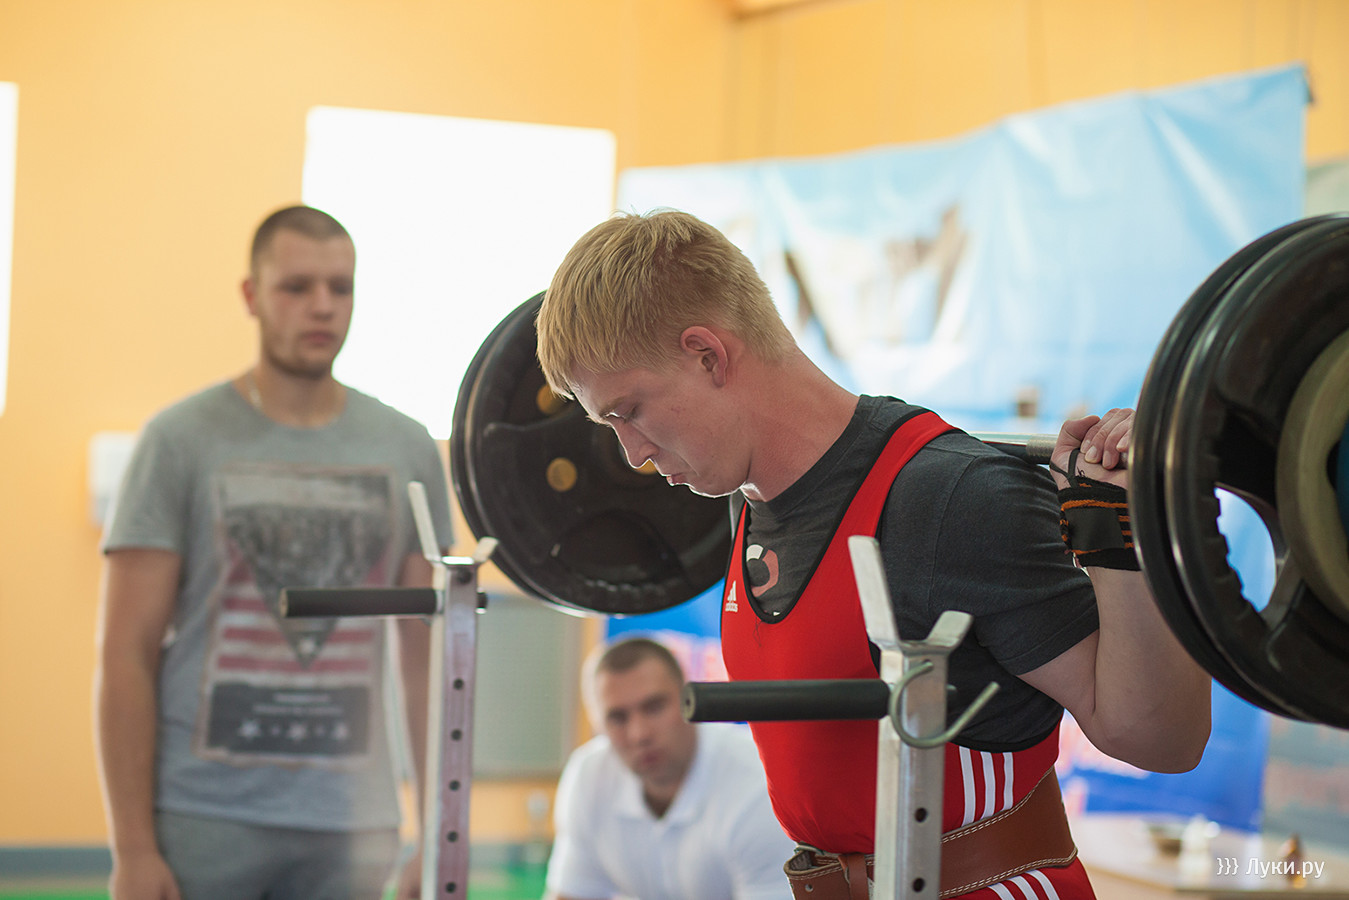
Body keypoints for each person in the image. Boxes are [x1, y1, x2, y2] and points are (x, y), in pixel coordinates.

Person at [534, 209, 1212, 900]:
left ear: (707, 355)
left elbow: (1162, 740)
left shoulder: (951, 499)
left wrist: (1126, 533)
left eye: (628, 412)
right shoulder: (748, 506)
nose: (633, 455)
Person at [93, 205, 453, 900]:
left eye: (340, 287)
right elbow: (125, 654)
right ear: (251, 295)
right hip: (204, 814)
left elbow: (424, 656)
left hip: (352, 824)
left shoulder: (406, 446)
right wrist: (132, 847)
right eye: (296, 287)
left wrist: (436, 832)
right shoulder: (178, 440)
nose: (322, 306)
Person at [545, 636, 795, 900]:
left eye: (654, 707)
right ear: (597, 725)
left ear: (688, 701)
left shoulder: (756, 784)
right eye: (617, 717)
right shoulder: (589, 776)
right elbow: (572, 893)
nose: (639, 734)